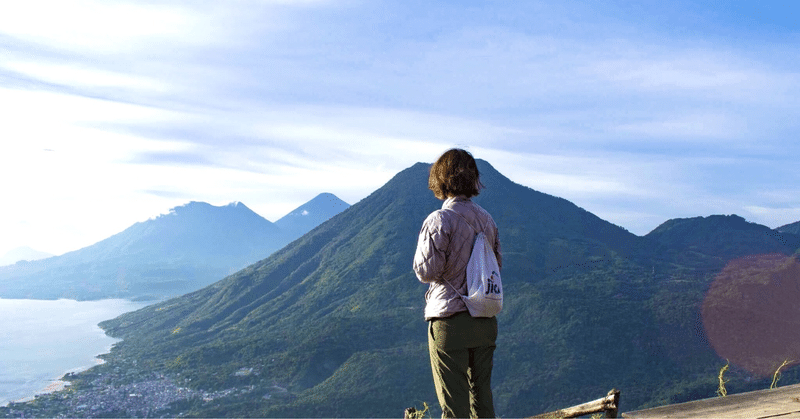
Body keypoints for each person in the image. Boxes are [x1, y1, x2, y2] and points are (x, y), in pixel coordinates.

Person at [413, 148, 502, 419]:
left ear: (440, 179)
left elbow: (426, 271)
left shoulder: (439, 220)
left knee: (455, 408)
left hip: (450, 320)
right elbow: (496, 264)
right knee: (482, 398)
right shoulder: (488, 220)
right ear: (473, 179)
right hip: (485, 319)